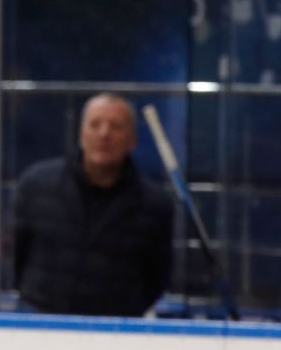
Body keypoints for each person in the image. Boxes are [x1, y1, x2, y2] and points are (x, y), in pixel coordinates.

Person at [12, 93, 173, 316]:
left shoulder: (155, 205)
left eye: (115, 126)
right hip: (41, 325)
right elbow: (17, 258)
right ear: (81, 133)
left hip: (115, 333)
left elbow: (156, 276)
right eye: (95, 124)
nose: (104, 134)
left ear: (132, 139)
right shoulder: (36, 185)